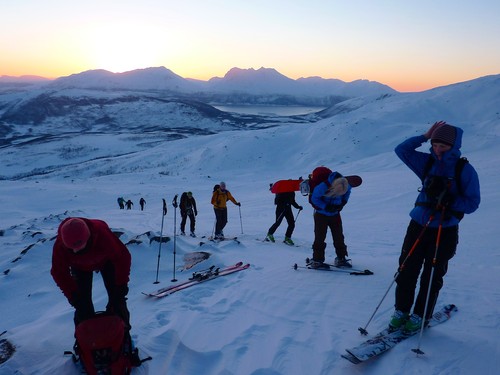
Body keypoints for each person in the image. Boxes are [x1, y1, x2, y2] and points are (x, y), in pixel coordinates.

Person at [389, 121, 480, 334]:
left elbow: (473, 203)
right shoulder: (427, 162)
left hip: (444, 229)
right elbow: (401, 150)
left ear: (453, 146)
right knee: (405, 271)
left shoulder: (464, 170)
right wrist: (424, 135)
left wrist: (450, 201)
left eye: (443, 146)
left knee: (431, 276)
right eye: (435, 144)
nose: (438, 149)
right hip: (418, 226)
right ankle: (401, 311)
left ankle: (421, 316)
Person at [51, 217, 132, 332]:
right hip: (79, 267)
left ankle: (123, 335)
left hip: (106, 261)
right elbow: (59, 272)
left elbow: (122, 258)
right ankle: (86, 340)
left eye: (79, 247)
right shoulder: (60, 245)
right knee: (82, 306)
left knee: (117, 300)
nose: (75, 251)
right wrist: (73, 295)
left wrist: (121, 284)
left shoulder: (102, 234)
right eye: (71, 248)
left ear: (88, 238)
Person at [309, 172, 352, 269]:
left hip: (335, 215)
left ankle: (341, 258)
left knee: (339, 237)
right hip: (321, 215)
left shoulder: (345, 184)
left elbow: (348, 192)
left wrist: (343, 202)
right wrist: (326, 206)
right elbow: (314, 198)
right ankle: (317, 260)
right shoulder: (322, 187)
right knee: (320, 237)